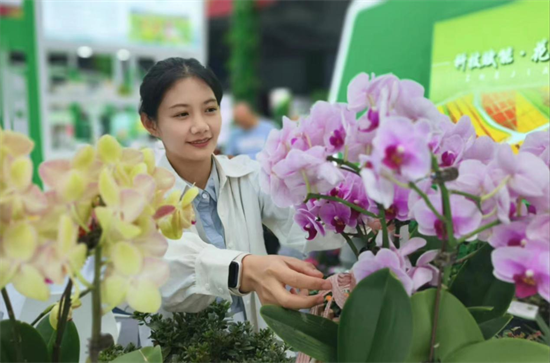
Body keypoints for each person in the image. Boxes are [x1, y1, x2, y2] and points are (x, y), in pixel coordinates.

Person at [139, 57, 343, 331]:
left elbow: (301, 221)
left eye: (210, 109)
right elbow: (166, 268)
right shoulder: (140, 191)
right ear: (150, 124)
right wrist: (244, 270)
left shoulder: (248, 175)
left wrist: (359, 213)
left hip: (256, 346)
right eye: (181, 114)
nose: (201, 126)